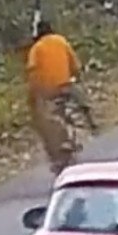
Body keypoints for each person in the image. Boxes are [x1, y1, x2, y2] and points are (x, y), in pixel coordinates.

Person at [25, 19, 98, 174]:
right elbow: (76, 67)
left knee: (45, 121)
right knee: (81, 102)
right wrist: (76, 78)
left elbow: (32, 73)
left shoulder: (36, 49)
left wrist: (33, 95)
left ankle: (56, 153)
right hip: (66, 86)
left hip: (48, 92)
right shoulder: (61, 41)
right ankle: (91, 124)